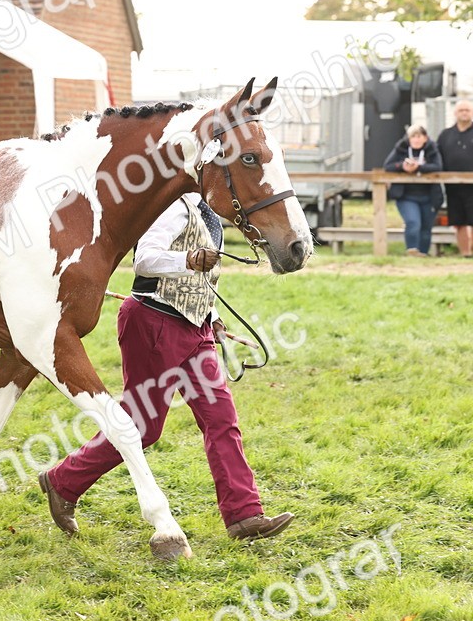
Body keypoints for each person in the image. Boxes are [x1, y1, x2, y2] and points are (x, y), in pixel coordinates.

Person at [38, 194, 294, 542]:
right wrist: (188, 259)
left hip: (196, 325)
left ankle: (244, 516)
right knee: (144, 426)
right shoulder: (170, 205)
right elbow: (144, 260)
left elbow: (201, 277)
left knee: (221, 419)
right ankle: (62, 481)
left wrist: (213, 317)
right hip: (153, 321)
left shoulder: (206, 211)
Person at [436, 100, 473, 258]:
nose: (464, 113)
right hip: (453, 187)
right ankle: (465, 254)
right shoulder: (445, 135)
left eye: (467, 110)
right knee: (459, 223)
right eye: (461, 110)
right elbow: (437, 158)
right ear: (455, 113)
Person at [383, 125, 443, 256]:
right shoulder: (401, 148)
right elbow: (388, 166)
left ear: (425, 138)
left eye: (419, 136)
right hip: (406, 195)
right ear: (409, 139)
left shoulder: (432, 149)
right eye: (413, 137)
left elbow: (437, 166)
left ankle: (423, 254)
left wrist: (419, 167)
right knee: (413, 222)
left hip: (429, 195)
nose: (416, 139)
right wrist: (402, 167)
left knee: (426, 227)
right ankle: (412, 250)